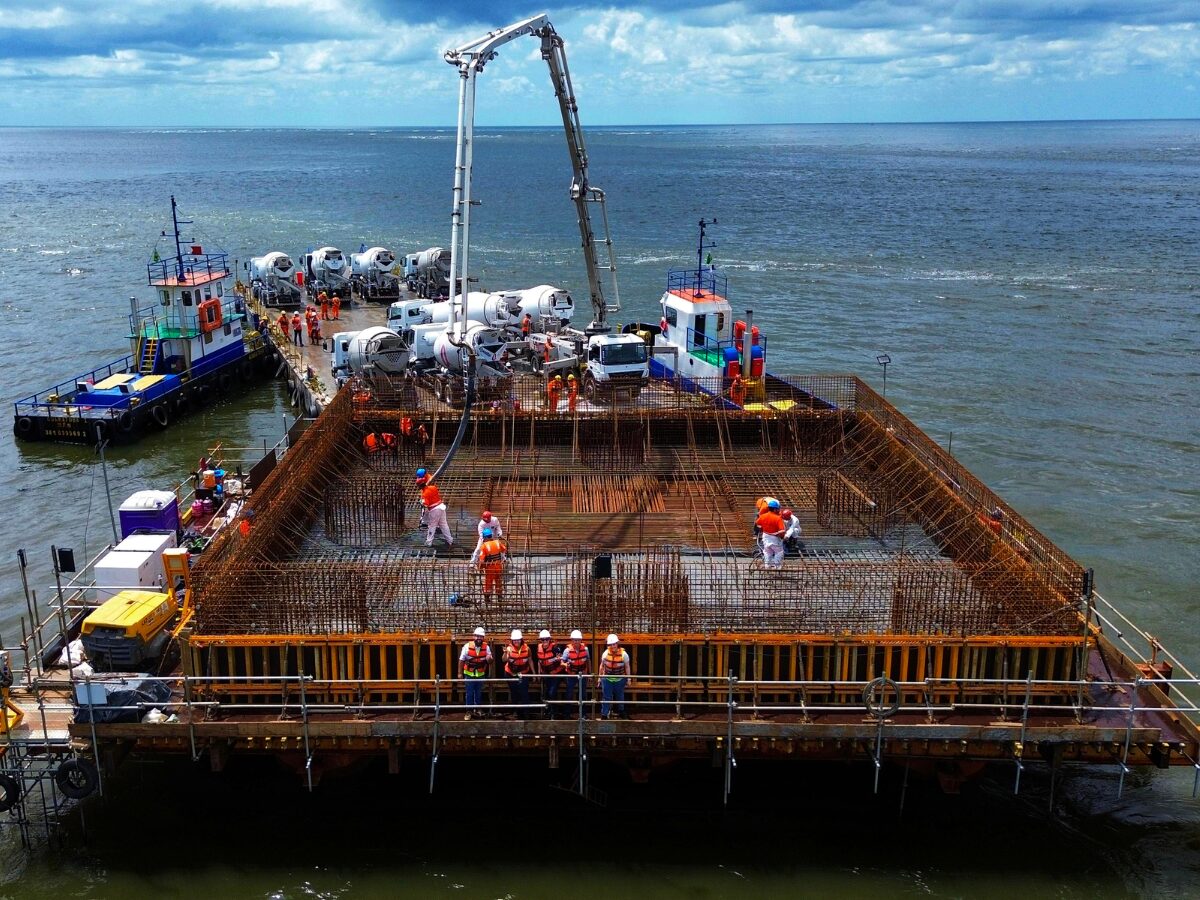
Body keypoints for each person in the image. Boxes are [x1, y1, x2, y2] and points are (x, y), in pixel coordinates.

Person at [459, 626, 492, 719]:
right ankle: (468, 711)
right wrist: (460, 673)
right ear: (474, 636)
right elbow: (461, 660)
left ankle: (478, 709)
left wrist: (490, 659)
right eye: (477, 636)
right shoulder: (467, 647)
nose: (479, 638)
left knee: (478, 692)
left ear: (483, 638)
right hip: (469, 674)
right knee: (469, 693)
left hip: (480, 674)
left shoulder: (487, 647)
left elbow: (490, 661)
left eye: (481, 637)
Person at [415, 469, 452, 547]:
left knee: (432, 526)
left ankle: (429, 542)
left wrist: (422, 502)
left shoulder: (424, 494)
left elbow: (426, 505)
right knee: (444, 525)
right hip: (441, 507)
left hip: (435, 510)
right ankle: (450, 540)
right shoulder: (433, 487)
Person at [599, 633, 631, 719]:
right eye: (611, 644)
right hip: (607, 679)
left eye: (614, 644)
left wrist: (628, 679)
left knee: (620, 696)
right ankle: (604, 714)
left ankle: (621, 711)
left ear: (617, 644)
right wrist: (599, 678)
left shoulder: (624, 655)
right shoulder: (605, 654)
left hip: (619, 679)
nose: (613, 646)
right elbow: (602, 666)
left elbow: (627, 667)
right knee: (606, 697)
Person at [502, 628, 532, 718]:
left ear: (521, 640)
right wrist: (505, 653)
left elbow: (530, 661)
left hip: (523, 672)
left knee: (524, 692)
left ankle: (526, 712)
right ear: (512, 640)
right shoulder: (509, 649)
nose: (516, 642)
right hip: (510, 673)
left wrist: (534, 674)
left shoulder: (527, 649)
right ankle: (515, 711)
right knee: (514, 692)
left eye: (518, 640)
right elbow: (504, 660)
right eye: (514, 640)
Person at [536, 629, 565, 717]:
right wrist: (539, 673)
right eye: (543, 639)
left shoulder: (555, 648)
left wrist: (555, 671)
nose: (545, 641)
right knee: (546, 693)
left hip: (556, 674)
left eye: (547, 639)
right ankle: (548, 710)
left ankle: (554, 712)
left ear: (549, 639)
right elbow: (540, 661)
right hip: (546, 674)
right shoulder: (539, 648)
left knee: (552, 692)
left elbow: (562, 662)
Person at [755, 498, 786, 569]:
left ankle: (767, 566)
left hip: (765, 537)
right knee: (779, 552)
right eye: (778, 509)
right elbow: (782, 531)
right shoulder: (778, 518)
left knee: (767, 552)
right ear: (775, 509)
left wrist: (762, 528)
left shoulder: (763, 516)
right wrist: (782, 536)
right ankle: (777, 567)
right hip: (774, 538)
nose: (779, 510)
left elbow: (757, 524)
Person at [477, 527, 507, 601]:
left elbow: (481, 559)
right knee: (498, 581)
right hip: (499, 565)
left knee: (488, 582)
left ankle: (487, 597)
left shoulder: (484, 546)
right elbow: (504, 549)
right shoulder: (498, 542)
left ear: (485, 537)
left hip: (490, 567)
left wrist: (480, 568)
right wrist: (502, 558)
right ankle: (499, 596)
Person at [562, 629, 589, 705]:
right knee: (569, 694)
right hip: (571, 675)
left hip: (582, 674)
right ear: (572, 640)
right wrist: (565, 665)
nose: (576, 642)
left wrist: (588, 673)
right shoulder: (567, 651)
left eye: (578, 640)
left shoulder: (586, 650)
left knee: (583, 694)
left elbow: (588, 661)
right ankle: (567, 714)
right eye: (574, 640)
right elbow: (562, 662)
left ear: (581, 640)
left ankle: (583, 714)